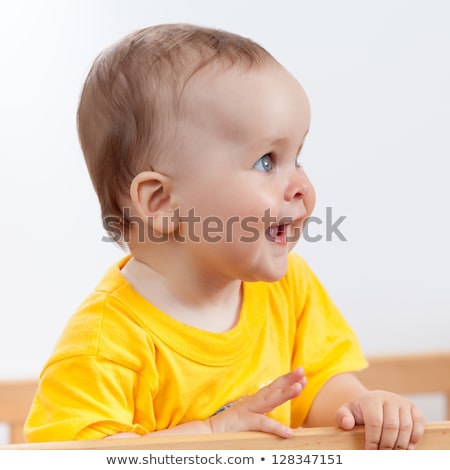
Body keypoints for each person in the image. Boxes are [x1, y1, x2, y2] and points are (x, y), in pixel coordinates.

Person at [24, 23, 424, 449]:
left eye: (298, 157)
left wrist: (360, 406)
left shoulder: (290, 288)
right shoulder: (104, 347)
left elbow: (319, 386)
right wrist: (210, 433)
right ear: (160, 201)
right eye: (267, 162)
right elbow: (73, 458)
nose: (302, 187)